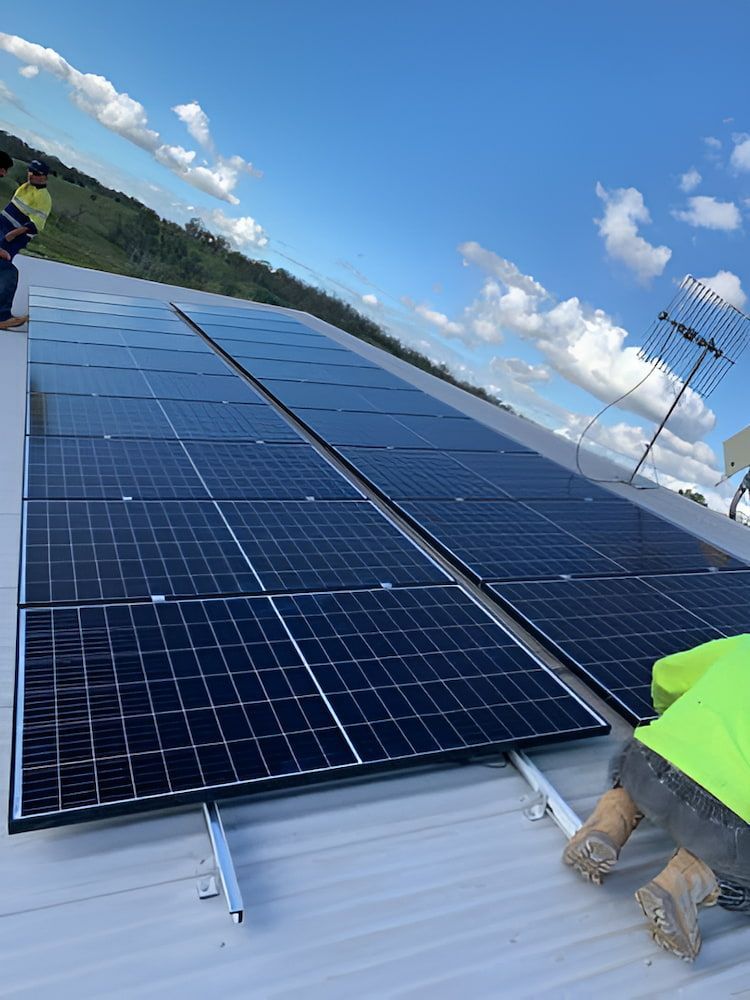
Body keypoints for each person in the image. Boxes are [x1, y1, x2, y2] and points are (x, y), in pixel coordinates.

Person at [563, 633, 750, 962]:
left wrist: (670, 714)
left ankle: (613, 817)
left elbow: (666, 673)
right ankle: (690, 877)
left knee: (648, 741)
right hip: (728, 824)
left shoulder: (745, 643)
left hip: (649, 769)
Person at [0, 157, 53, 330]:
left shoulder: (44, 198)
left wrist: (13, 234)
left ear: (44, 177)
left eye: (36, 173)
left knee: (5, 269)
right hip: (3, 229)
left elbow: (36, 224)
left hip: (12, 238)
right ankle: (2, 316)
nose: (31, 174)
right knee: (7, 271)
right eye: (30, 171)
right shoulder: (24, 187)